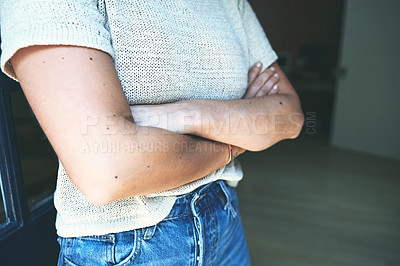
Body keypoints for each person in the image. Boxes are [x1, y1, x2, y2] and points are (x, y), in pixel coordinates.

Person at [0, 0, 304, 265]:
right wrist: (236, 136)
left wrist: (179, 115)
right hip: (125, 244)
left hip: (224, 217)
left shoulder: (229, 3)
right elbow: (108, 170)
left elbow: (290, 116)